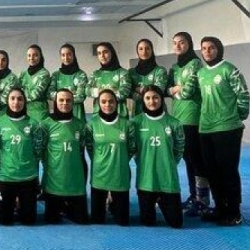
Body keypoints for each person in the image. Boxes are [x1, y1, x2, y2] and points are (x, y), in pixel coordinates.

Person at [197, 37, 250, 226]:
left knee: (228, 171)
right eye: (204, 48)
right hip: (206, 128)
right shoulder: (201, 73)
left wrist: (238, 116)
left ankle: (234, 211)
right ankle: (220, 208)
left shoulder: (229, 69)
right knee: (212, 171)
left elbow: (243, 94)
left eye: (211, 48)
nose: (207, 51)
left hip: (228, 128)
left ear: (218, 49)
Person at [166, 32, 209, 215]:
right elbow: (165, 90)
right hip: (178, 118)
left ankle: (203, 201)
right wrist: (175, 89)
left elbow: (189, 91)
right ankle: (193, 196)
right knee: (188, 159)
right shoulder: (175, 67)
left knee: (196, 160)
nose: (178, 46)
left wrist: (175, 90)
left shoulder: (195, 64)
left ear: (189, 44)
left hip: (192, 118)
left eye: (182, 42)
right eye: (175, 43)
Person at [133, 86, 185, 228]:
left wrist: (169, 163)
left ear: (161, 99)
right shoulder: (136, 123)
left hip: (168, 178)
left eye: (155, 97)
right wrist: (143, 162)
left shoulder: (174, 123)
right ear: (143, 100)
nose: (152, 101)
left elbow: (179, 148)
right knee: (147, 222)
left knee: (176, 223)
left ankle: (162, 200)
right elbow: (132, 148)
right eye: (148, 98)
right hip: (146, 179)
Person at [0, 88, 44, 225]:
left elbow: (38, 151)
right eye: (12, 98)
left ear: (25, 102)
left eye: (20, 99)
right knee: (3, 221)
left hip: (28, 177)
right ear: (7, 101)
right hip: (6, 177)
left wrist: (32, 172)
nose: (16, 102)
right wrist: (5, 169)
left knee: (29, 220)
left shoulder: (33, 124)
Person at [85, 89, 136, 226]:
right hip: (99, 176)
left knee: (122, 222)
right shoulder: (91, 124)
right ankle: (105, 200)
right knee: (97, 220)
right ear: (98, 104)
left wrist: (119, 160)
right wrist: (101, 160)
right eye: (103, 102)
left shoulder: (127, 124)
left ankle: (113, 202)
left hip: (120, 175)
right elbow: (90, 148)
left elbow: (132, 148)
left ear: (116, 103)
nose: (107, 104)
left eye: (111, 101)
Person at [40, 89, 89, 224]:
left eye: (68, 100)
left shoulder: (80, 125)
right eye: (61, 100)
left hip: (75, 183)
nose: (65, 103)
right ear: (55, 102)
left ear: (73, 103)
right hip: (54, 182)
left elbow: (82, 151)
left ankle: (68, 206)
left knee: (82, 220)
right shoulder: (46, 124)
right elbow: (41, 152)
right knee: (51, 221)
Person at [86, 42, 131, 118]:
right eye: (99, 53)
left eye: (105, 52)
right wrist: (113, 90)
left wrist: (99, 91)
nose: (102, 56)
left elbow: (123, 93)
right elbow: (87, 91)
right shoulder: (95, 74)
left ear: (112, 53)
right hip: (99, 115)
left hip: (119, 115)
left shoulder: (123, 73)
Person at [48, 44, 88, 122]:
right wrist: (72, 93)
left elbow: (80, 97)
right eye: (63, 55)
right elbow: (49, 94)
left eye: (69, 54)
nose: (66, 58)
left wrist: (59, 96)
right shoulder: (55, 75)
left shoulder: (81, 75)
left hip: (77, 115)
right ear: (60, 57)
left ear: (73, 56)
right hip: (59, 115)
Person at [129, 39, 167, 117]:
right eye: (141, 49)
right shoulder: (131, 72)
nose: (144, 52)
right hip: (139, 113)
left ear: (152, 50)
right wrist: (149, 89)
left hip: (158, 113)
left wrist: (139, 90)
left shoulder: (160, 71)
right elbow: (128, 92)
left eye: (147, 48)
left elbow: (159, 91)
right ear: (137, 51)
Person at [18, 45, 51, 121]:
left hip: (39, 112)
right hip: (23, 111)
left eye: (35, 55)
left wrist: (19, 99)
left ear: (40, 57)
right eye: (29, 55)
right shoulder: (22, 74)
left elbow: (35, 94)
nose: (31, 58)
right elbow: (16, 90)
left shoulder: (44, 74)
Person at [0, 50, 19, 119]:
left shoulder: (12, 78)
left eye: (3, 60)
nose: (0, 62)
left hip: (7, 115)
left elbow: (6, 98)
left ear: (7, 62)